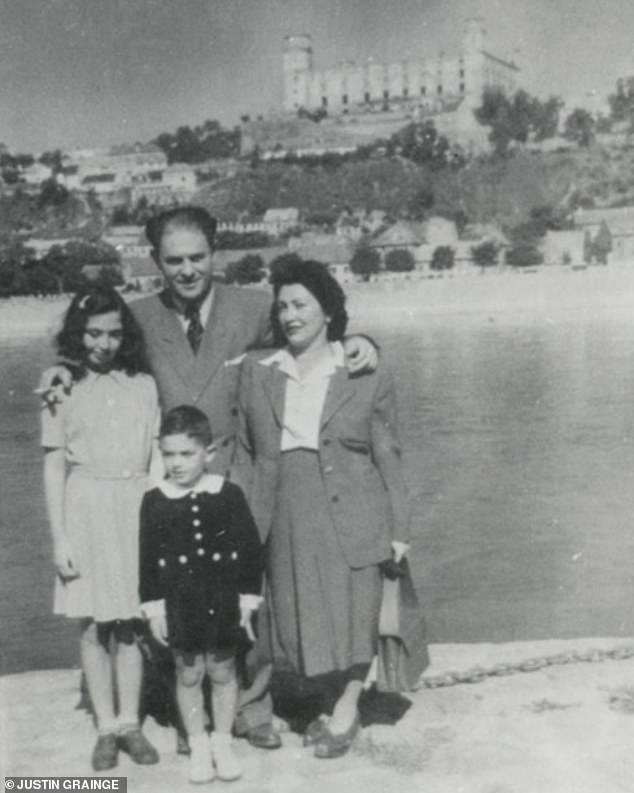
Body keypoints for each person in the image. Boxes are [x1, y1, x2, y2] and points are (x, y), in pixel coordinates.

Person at [38, 205, 378, 750]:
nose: (188, 269)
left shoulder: (254, 308)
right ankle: (183, 714)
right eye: (174, 260)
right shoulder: (140, 316)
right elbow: (93, 349)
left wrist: (360, 341)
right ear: (156, 261)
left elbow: (308, 328)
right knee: (177, 593)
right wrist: (60, 371)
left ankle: (253, 706)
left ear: (214, 254)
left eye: (198, 256)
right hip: (170, 476)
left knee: (250, 588)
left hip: (241, 471)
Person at [235, 260, 411, 758]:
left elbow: (388, 453)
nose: (290, 316)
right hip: (283, 506)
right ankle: (324, 696)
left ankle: (346, 709)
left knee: (354, 611)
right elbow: (246, 452)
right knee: (296, 615)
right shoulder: (257, 369)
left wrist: (400, 526)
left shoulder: (363, 368)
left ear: (329, 311)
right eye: (283, 306)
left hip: (352, 504)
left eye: (301, 305)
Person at [41, 287, 160, 771]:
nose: (104, 343)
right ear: (77, 333)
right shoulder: (60, 388)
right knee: (92, 624)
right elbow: (53, 467)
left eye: (113, 333)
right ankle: (106, 727)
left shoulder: (144, 384)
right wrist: (60, 539)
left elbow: (154, 457)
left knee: (130, 623)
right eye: (93, 333)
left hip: (134, 506)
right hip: (85, 507)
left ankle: (131, 722)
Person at [139, 406, 263, 783]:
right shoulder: (155, 500)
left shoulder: (228, 494)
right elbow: (147, 559)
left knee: (223, 671)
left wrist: (247, 601)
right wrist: (155, 609)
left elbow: (250, 551)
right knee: (189, 673)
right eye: (168, 454)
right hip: (181, 602)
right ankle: (198, 744)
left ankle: (222, 741)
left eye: (186, 454)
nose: (175, 464)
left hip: (223, 598)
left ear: (208, 453)